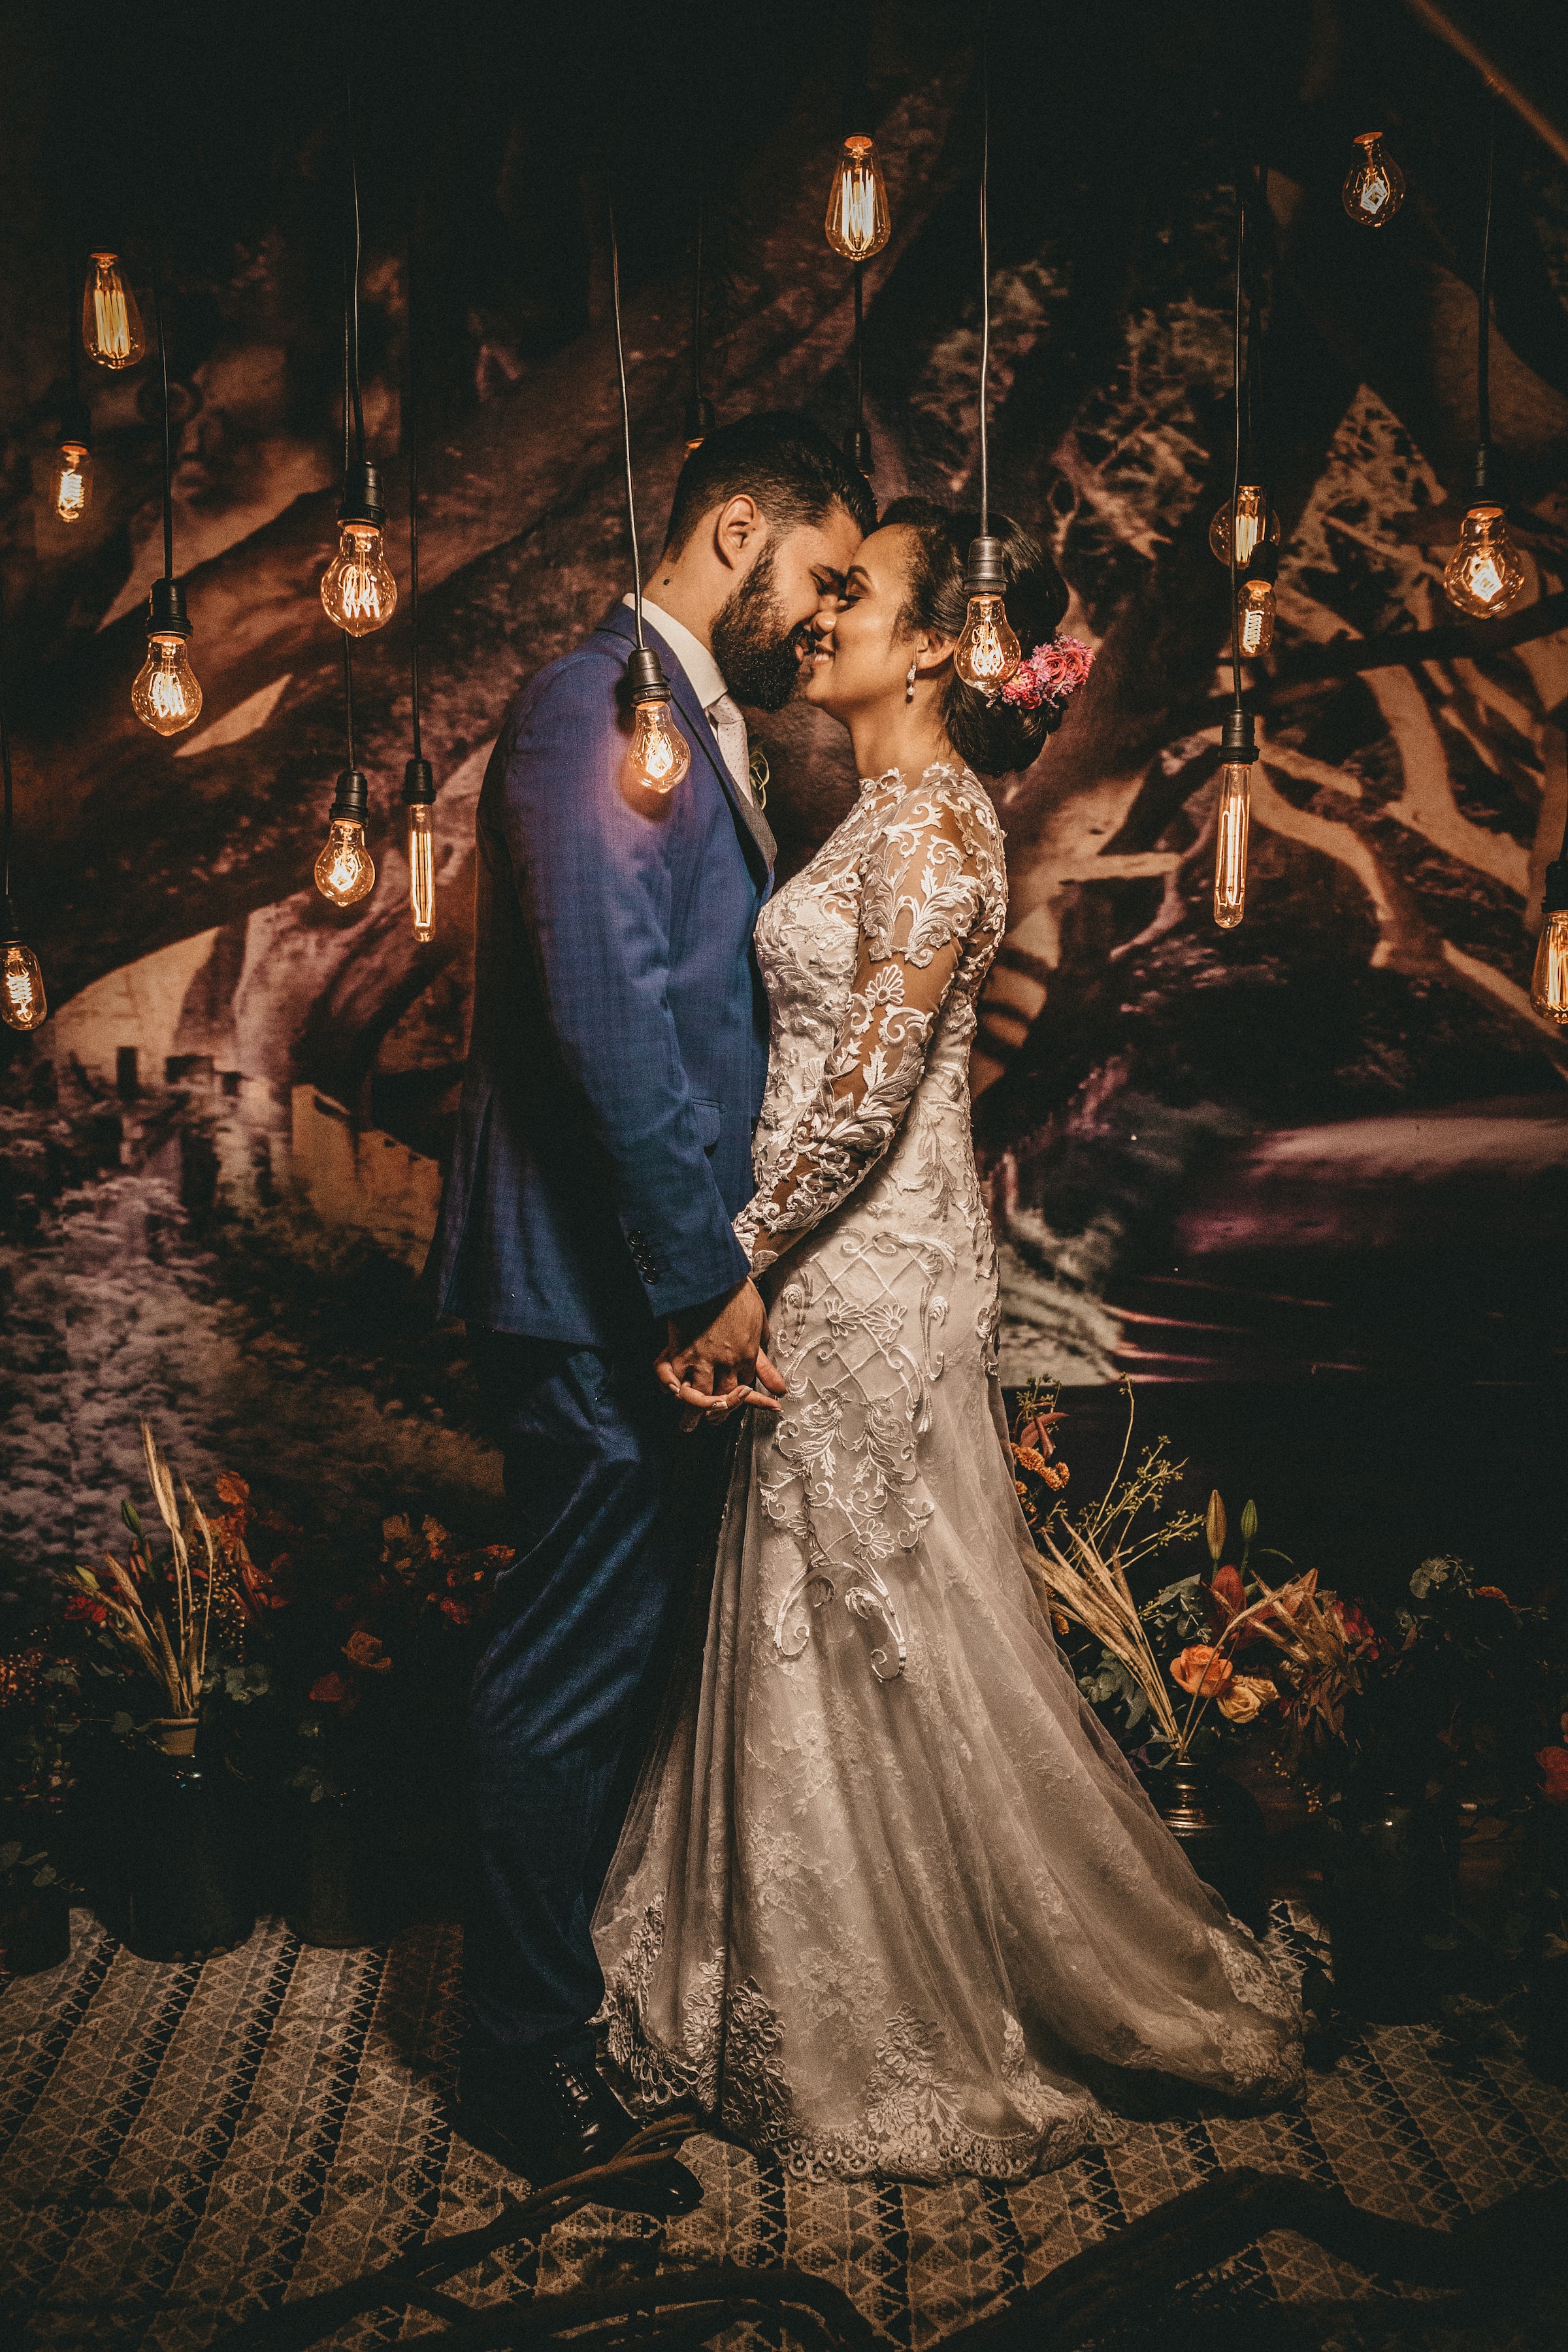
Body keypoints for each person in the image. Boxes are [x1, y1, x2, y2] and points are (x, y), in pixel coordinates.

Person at [593, 498, 1305, 2182]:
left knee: (869, 1613)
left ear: (936, 645)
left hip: (858, 1269)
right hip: (836, 1269)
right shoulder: (892, 814)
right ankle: (783, 1963)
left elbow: (857, 1107)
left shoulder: (932, 835)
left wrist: (732, 1265)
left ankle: (912, 1999)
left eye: (856, 592)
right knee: (818, 1615)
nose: (820, 609)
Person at [423, 413, 874, 2195]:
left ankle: (556, 2019)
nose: (828, 609)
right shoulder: (591, 703)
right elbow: (610, 1011)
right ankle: (516, 2066)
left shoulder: (692, 719)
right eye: (822, 572)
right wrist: (703, 1287)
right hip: (600, 1290)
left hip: (636, 1284)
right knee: (568, 1673)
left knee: (608, 1671)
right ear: (735, 525)